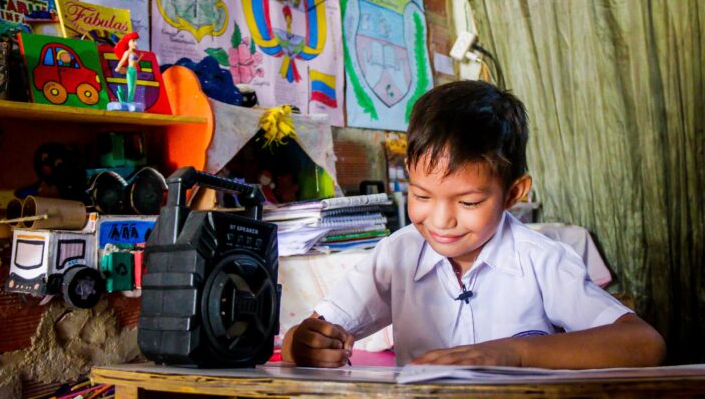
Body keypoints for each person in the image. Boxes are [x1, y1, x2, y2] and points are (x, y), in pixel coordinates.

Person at [281, 80, 665, 369]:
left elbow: (644, 343)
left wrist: (510, 353)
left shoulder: (541, 259)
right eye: (421, 196)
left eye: (468, 202)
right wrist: (303, 344)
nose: (441, 220)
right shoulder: (396, 254)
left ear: (513, 193)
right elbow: (312, 332)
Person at [114, 32, 143, 103]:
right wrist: (118, 67)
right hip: (130, 70)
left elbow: (135, 63)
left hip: (134, 70)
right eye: (133, 41)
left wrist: (139, 58)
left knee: (133, 88)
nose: (135, 43)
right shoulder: (127, 52)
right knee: (130, 87)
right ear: (128, 42)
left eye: (136, 41)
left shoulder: (134, 53)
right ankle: (129, 101)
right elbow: (122, 60)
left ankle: (129, 101)